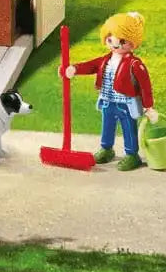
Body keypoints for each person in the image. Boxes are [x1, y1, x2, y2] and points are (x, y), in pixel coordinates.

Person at [63, 11, 159, 171]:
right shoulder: (106, 60)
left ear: (133, 42)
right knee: (107, 125)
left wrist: (148, 106)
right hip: (107, 101)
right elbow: (91, 65)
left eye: (122, 41)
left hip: (125, 104)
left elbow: (145, 85)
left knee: (128, 128)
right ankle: (106, 149)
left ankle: (132, 154)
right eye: (110, 39)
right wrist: (75, 69)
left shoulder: (134, 64)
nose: (115, 44)